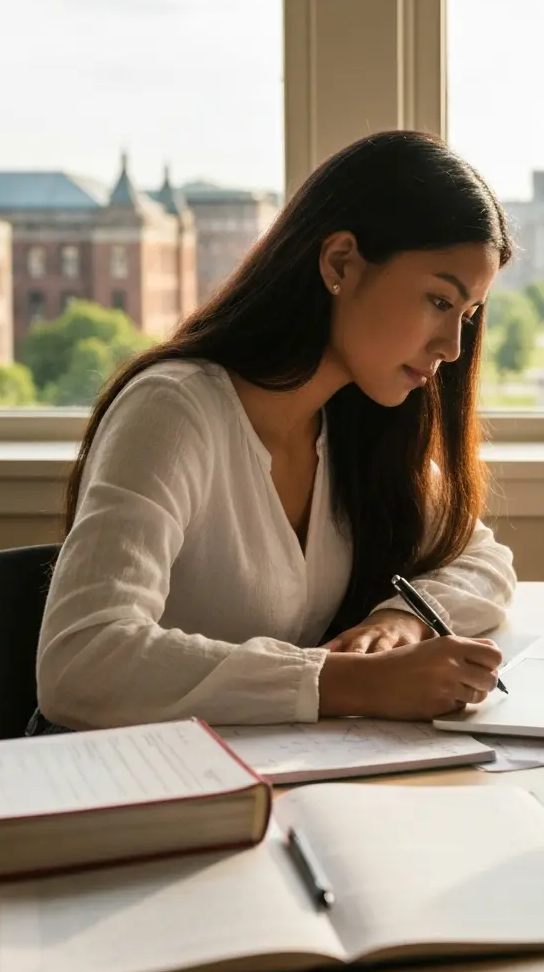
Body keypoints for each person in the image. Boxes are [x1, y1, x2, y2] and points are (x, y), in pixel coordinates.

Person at [34, 130, 517, 731]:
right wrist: (343, 681)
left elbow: (485, 558)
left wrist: (401, 619)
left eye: (469, 316)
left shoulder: (357, 424)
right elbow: (81, 663)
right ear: (341, 262)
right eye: (440, 302)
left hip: (270, 778)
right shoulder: (174, 412)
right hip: (139, 797)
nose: (452, 347)